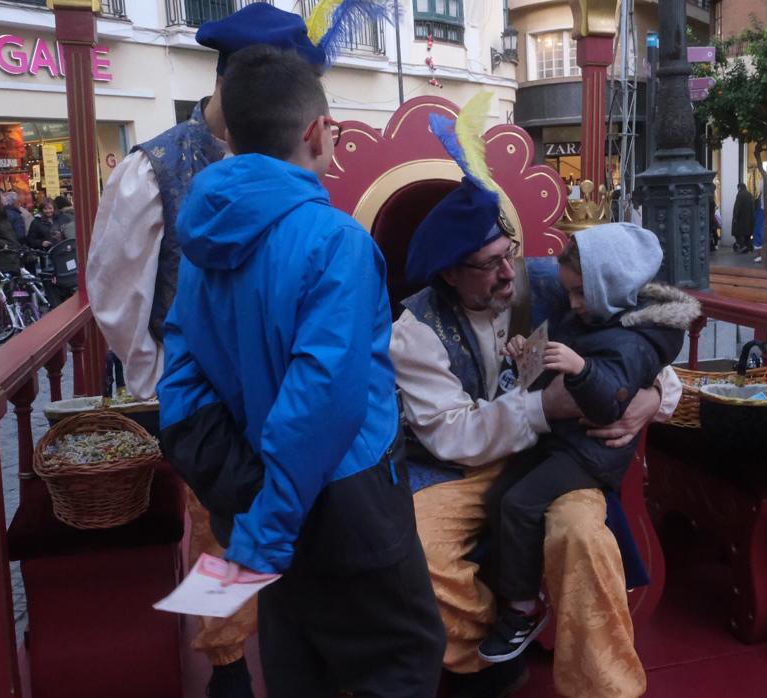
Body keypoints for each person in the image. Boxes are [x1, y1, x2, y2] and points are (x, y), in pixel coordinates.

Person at [91, 4, 399, 695]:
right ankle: (226, 655)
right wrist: (179, 403)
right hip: (222, 413)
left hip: (280, 423)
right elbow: (117, 297)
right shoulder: (155, 168)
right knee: (223, 531)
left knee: (280, 560)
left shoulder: (289, 166)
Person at [158, 44, 445, 697]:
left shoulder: (203, 241)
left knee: (297, 657)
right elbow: (321, 401)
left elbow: (180, 377)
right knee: (400, 658)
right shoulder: (335, 241)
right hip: (347, 497)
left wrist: (245, 492)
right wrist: (267, 528)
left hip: (258, 490)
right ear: (315, 133)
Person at [391, 96, 684, 697]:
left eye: (508, 256)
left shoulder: (555, 282)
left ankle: (605, 687)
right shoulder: (414, 331)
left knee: (582, 537)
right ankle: (483, 659)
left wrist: (655, 393)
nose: (507, 276)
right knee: (416, 551)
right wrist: (544, 407)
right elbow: (452, 434)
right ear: (449, 273)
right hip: (457, 470)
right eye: (486, 267)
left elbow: (646, 336)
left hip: (557, 460)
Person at [477, 223, 696, 665]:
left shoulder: (623, 333)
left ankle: (522, 609)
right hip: (555, 439)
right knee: (502, 497)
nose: (572, 304)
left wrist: (581, 371)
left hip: (589, 449)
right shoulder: (593, 313)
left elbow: (610, 396)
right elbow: (557, 362)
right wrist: (529, 356)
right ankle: (509, 594)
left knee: (523, 505)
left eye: (580, 294)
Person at [732, 182, 755, 253]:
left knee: (737, 233)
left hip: (741, 219)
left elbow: (737, 207)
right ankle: (749, 247)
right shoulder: (750, 194)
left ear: (739, 188)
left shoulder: (740, 195)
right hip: (750, 219)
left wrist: (735, 217)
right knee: (747, 234)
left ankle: (742, 246)